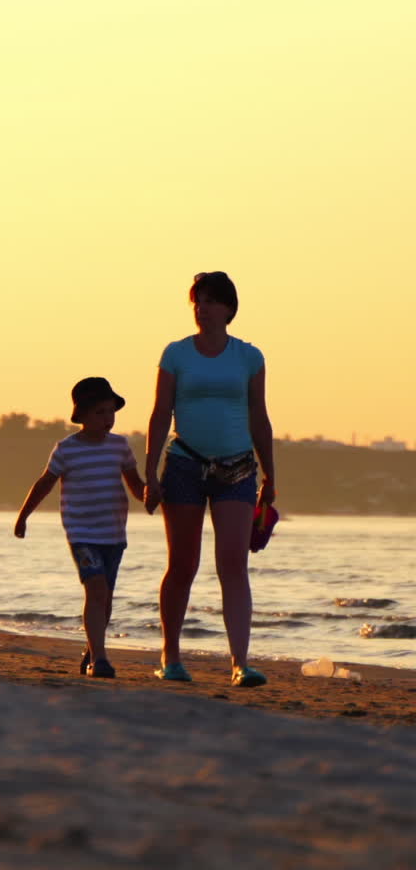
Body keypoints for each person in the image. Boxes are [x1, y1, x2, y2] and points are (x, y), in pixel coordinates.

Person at [143, 271, 276, 688]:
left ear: (229, 308)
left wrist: (270, 473)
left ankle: (240, 662)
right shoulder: (177, 354)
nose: (202, 307)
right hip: (184, 462)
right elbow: (161, 412)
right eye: (197, 300)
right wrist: (149, 471)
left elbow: (259, 415)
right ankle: (171, 656)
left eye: (211, 300)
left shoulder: (249, 357)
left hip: (237, 467)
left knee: (234, 563)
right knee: (183, 564)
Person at [14, 377, 146, 678]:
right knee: (95, 589)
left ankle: (92, 650)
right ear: (82, 415)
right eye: (100, 412)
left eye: (111, 412)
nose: (107, 419)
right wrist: (23, 516)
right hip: (82, 534)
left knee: (106, 597)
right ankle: (100, 660)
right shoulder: (67, 449)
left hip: (113, 534)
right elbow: (45, 483)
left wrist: (152, 496)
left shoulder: (120, 447)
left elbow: (136, 486)